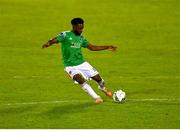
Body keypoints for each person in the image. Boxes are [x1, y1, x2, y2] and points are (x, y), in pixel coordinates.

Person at [42, 17, 117, 104]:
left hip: (82, 64)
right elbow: (55, 40)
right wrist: (48, 43)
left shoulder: (81, 38)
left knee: (98, 79)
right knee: (79, 80)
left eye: (82, 28)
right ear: (74, 26)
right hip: (70, 66)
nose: (81, 30)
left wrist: (107, 47)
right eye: (80, 28)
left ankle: (102, 88)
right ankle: (97, 98)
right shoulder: (65, 35)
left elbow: (92, 47)